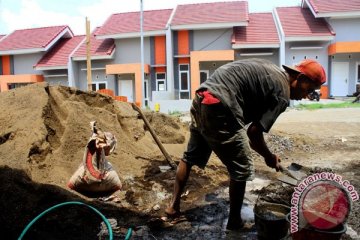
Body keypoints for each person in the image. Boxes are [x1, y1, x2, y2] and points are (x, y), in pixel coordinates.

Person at [165, 58, 326, 230]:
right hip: (221, 104)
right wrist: (269, 157)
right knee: (242, 168)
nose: (306, 96)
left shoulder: (272, 71)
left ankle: (172, 208)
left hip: (202, 97)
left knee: (190, 157)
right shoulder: (282, 94)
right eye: (308, 90)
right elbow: (254, 134)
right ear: (300, 78)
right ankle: (234, 222)